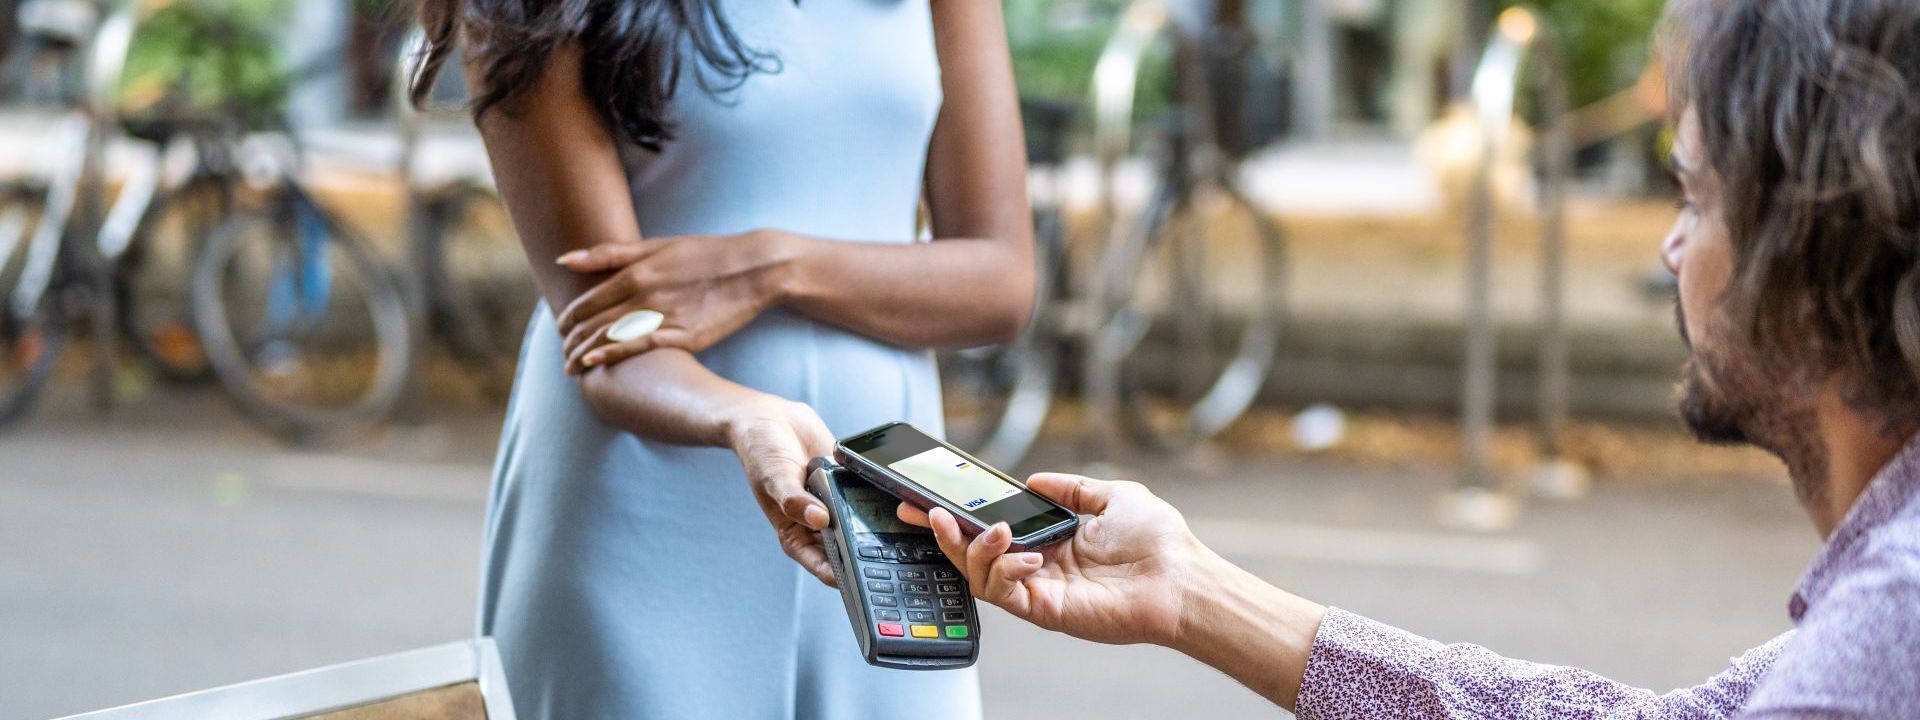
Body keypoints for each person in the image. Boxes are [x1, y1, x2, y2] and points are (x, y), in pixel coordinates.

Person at [903, 0, 1920, 716]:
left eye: (1694, 199)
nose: (1669, 246)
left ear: (1814, 248)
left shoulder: (1891, 622)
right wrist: (1194, 592)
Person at [407, 0, 1034, 716]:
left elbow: (1000, 281)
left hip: (887, 525)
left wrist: (770, 266)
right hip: (640, 508)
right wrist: (744, 417)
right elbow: (610, 334)